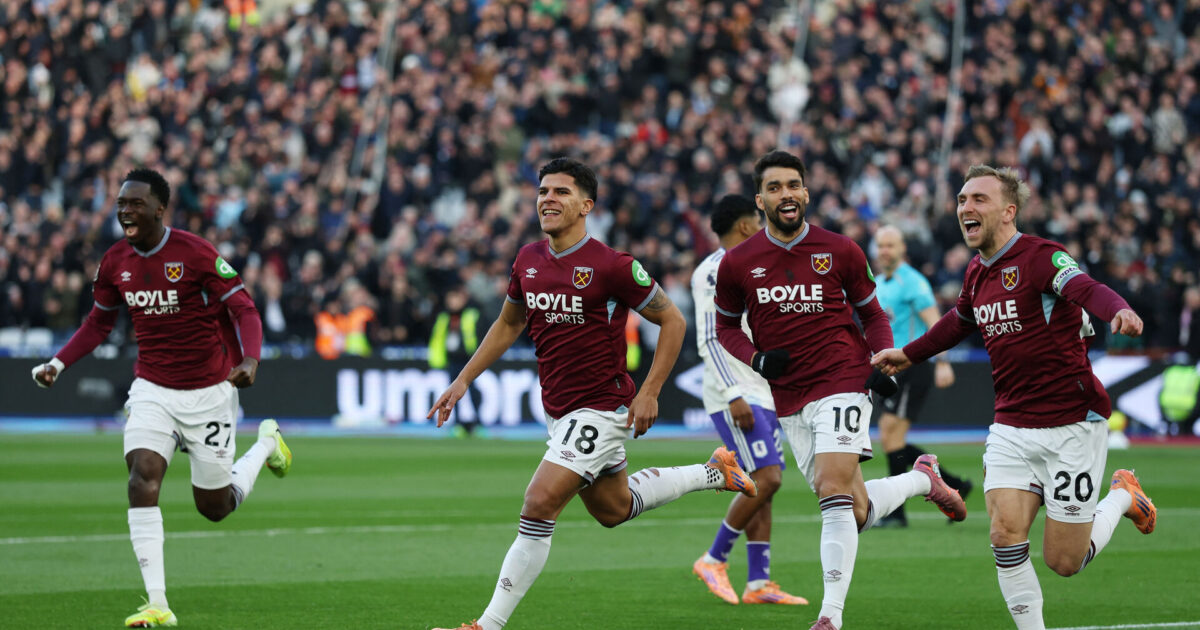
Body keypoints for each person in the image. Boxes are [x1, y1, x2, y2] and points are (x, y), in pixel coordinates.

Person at [427, 158, 758, 630]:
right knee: (613, 509)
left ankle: (487, 625)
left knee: (538, 503)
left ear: (587, 205)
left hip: (603, 407)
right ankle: (714, 472)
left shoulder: (613, 266)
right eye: (543, 191)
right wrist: (463, 379)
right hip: (558, 411)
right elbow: (509, 322)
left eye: (561, 192)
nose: (548, 199)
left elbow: (673, 320)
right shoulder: (528, 260)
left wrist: (650, 392)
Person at [871, 165, 1156, 629]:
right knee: (1004, 535)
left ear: (1009, 211)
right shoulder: (977, 272)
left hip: (1071, 426)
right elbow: (957, 322)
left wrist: (1118, 308)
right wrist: (908, 354)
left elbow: (1085, 288)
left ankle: (1123, 496)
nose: (966, 207)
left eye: (978, 199)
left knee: (1065, 561)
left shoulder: (1042, 257)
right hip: (1010, 426)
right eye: (962, 200)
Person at [714, 150, 966, 630]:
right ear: (759, 199)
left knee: (832, 491)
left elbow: (873, 314)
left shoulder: (842, 250)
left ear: (806, 192)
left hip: (843, 381)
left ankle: (830, 617)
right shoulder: (738, 264)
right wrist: (755, 359)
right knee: (851, 509)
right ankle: (921, 479)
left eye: (793, 185)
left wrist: (881, 360)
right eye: (775, 187)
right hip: (788, 396)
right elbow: (725, 328)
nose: (786, 194)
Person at [29, 168, 292, 629]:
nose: (125, 211)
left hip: (210, 393)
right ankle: (158, 604)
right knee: (141, 476)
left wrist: (251, 359)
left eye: (135, 204)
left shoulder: (195, 253)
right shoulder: (114, 262)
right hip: (152, 388)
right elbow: (98, 323)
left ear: (158, 209)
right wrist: (58, 363)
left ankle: (267, 442)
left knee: (214, 507)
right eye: (121, 203)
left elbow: (243, 307)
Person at [690, 194, 807, 606]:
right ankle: (713, 558)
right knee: (768, 477)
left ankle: (758, 583)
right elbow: (709, 336)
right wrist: (734, 393)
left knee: (766, 482)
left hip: (764, 389)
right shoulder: (712, 271)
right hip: (734, 393)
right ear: (744, 226)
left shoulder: (758, 262)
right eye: (757, 221)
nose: (762, 227)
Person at [871, 225, 972, 528]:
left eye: (891, 245)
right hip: (890, 368)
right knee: (891, 437)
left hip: (912, 367)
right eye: (881, 246)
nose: (885, 251)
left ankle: (897, 513)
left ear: (902, 248)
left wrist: (942, 362)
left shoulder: (912, 282)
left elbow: (934, 323)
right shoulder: (879, 282)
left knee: (891, 434)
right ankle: (953, 484)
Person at [428, 284, 482, 437]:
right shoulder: (443, 317)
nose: (453, 302)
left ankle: (478, 422)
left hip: (469, 360)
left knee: (473, 392)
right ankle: (457, 423)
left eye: (455, 298)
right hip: (452, 360)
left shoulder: (472, 314)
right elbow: (437, 338)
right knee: (453, 394)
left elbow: (481, 334)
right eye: (450, 299)